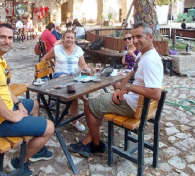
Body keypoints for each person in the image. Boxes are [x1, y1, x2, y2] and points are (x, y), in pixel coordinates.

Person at [0, 23, 55, 176]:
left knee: (33, 104)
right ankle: (20, 162)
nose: (7, 41)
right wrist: (14, 116)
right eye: (2, 37)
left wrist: (18, 103)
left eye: (10, 38)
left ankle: (34, 146)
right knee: (50, 127)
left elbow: (4, 87)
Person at [68, 22, 164, 157]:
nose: (135, 41)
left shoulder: (149, 60)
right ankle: (88, 141)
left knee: (89, 104)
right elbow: (131, 74)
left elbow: (156, 93)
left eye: (139, 37)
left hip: (134, 107)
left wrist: (130, 88)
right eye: (133, 37)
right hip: (134, 101)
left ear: (150, 37)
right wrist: (120, 88)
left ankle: (96, 144)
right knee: (99, 103)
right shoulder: (144, 55)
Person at [41, 29, 87, 131]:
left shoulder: (78, 50)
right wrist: (43, 70)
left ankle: (81, 105)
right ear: (63, 38)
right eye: (67, 37)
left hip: (74, 76)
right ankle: (76, 116)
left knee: (80, 85)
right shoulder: (57, 48)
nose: (69, 40)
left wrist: (85, 68)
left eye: (72, 38)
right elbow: (44, 58)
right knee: (72, 88)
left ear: (74, 39)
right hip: (60, 76)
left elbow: (82, 64)